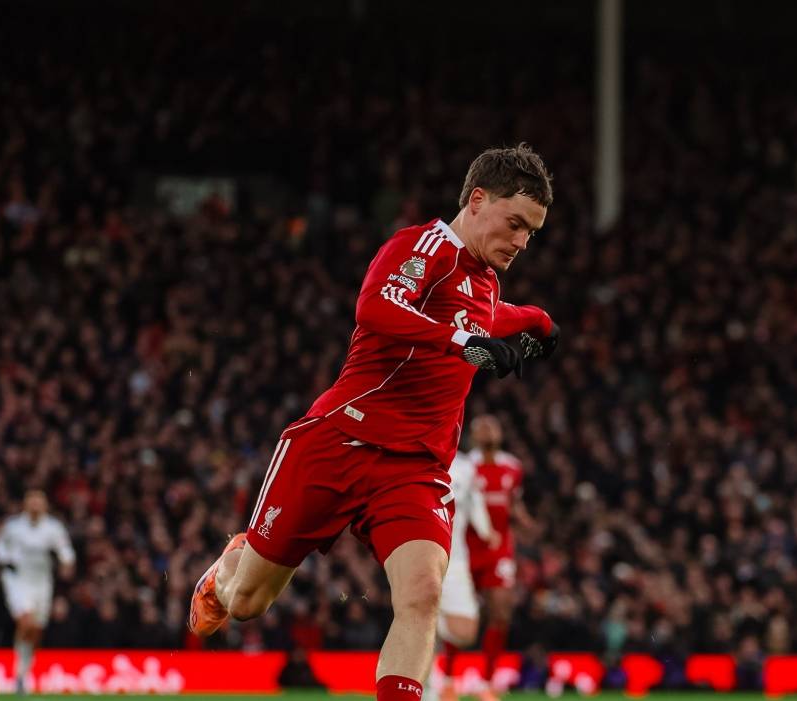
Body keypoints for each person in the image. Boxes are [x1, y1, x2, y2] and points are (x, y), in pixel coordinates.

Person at [189, 143, 559, 701]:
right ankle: (222, 575)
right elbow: (377, 308)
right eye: (516, 224)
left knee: (422, 593)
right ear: (478, 200)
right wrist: (462, 341)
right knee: (247, 603)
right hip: (339, 440)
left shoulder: (485, 281)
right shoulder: (422, 246)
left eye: (531, 232)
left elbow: (486, 316)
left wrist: (538, 321)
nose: (522, 241)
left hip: (415, 469)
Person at [464, 414, 536, 700]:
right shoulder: (466, 466)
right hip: (467, 547)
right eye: (482, 427)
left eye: (492, 426)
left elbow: (514, 503)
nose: (488, 431)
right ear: (473, 435)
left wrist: (525, 521)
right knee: (462, 613)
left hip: (500, 548)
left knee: (501, 612)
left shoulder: (513, 467)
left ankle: (488, 682)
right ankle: (448, 677)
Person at [0, 489, 76, 694]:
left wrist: (67, 563)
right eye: (32, 501)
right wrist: (5, 559)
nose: (35, 505)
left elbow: (65, 549)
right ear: (26, 504)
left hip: (42, 582)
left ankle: (23, 673)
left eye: (39, 501)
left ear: (45, 505)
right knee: (26, 621)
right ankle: (19, 673)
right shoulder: (14, 527)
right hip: (18, 579)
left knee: (36, 631)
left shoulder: (53, 528)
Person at [430, 451, 495, 701]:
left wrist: (486, 529)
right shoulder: (416, 454)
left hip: (456, 561)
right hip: (422, 554)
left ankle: (432, 620)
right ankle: (428, 688)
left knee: (466, 632)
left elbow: (475, 501)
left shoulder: (466, 466)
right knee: (418, 622)